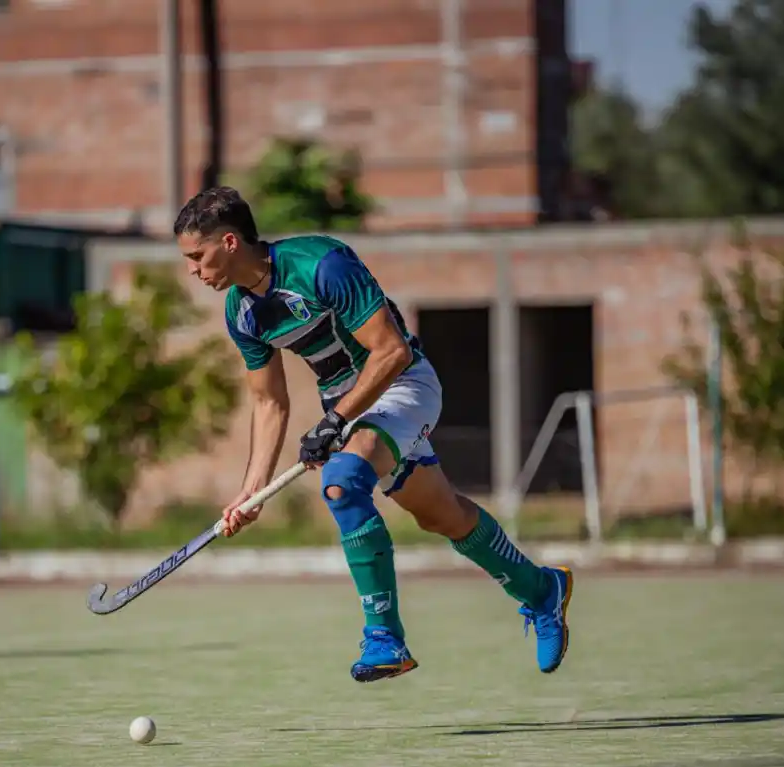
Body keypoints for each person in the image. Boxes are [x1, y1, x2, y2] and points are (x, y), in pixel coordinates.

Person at [173, 186, 574, 683]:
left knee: (341, 481)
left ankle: (385, 637)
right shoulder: (241, 313)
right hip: (350, 411)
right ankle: (541, 591)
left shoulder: (322, 264)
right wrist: (252, 492)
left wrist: (335, 422)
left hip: (402, 386)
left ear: (229, 243)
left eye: (197, 255)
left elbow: (391, 352)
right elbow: (268, 402)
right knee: (442, 515)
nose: (192, 269)